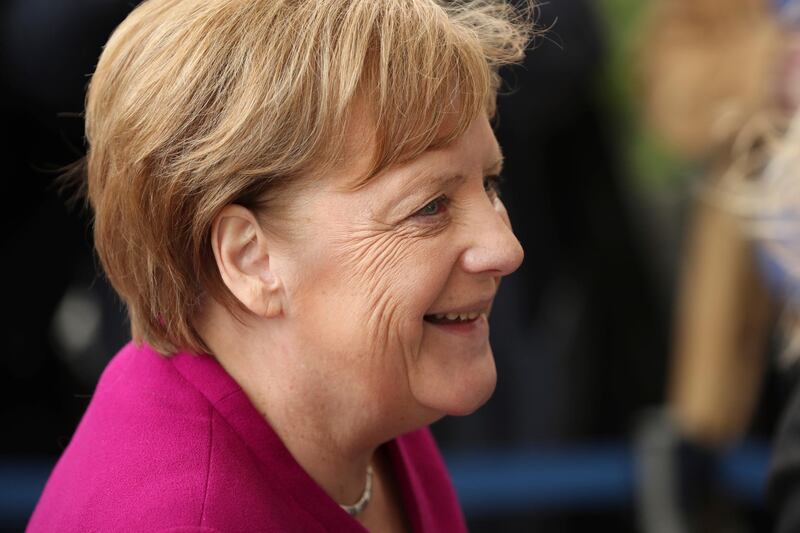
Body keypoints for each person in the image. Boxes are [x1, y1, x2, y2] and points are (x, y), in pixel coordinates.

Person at [26, 0, 530, 531]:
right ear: (251, 259)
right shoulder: (180, 517)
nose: (505, 248)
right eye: (429, 206)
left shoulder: (368, 395)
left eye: (489, 183)